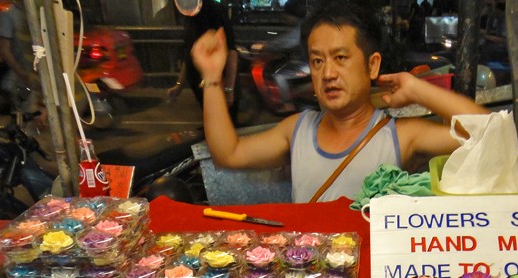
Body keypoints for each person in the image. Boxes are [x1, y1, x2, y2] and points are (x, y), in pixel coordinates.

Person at [191, 0, 487, 202]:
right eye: (317, 61)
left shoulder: (400, 136)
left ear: (372, 66)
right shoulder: (296, 130)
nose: (328, 73)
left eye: (341, 58)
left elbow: (487, 134)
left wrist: (417, 89)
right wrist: (213, 77)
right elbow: (227, 154)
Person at [168, 0, 238, 114]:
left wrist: (229, 90)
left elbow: (231, 51)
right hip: (200, 87)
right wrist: (179, 85)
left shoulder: (215, 11)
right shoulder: (190, 15)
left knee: (222, 127)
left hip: (219, 86)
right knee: (211, 125)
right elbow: (189, 55)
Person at [0, 0, 38, 113]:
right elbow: (5, 49)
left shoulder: (35, 13)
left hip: (37, 75)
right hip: (22, 77)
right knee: (26, 110)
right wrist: (21, 73)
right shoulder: (9, 15)